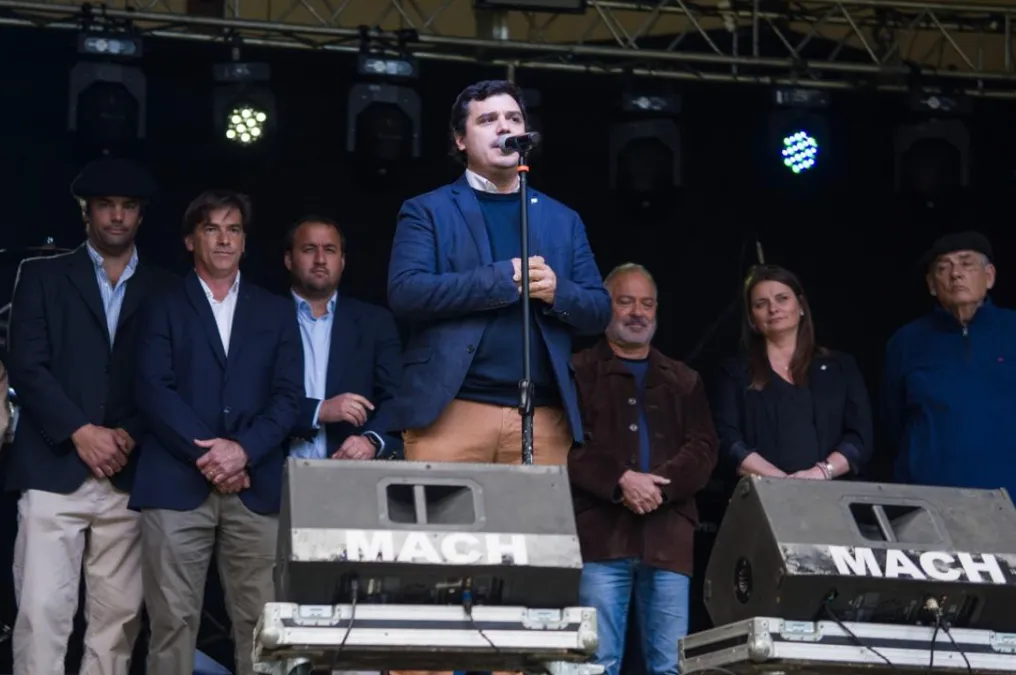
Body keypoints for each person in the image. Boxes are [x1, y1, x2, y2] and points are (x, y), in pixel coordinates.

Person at [5, 156, 176, 675]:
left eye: (128, 207)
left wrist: (127, 433)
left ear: (141, 215)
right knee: (41, 611)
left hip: (129, 470)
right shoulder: (40, 275)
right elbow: (26, 367)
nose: (118, 217)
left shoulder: (167, 289)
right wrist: (80, 432)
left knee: (118, 620)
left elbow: (173, 381)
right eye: (106, 206)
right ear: (87, 212)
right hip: (53, 465)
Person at [386, 79, 611, 465]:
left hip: (541, 415)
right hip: (451, 412)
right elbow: (406, 292)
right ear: (460, 140)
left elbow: (598, 311)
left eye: (513, 118)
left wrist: (558, 292)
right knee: (444, 526)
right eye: (488, 120)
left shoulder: (563, 219)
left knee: (535, 527)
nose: (505, 127)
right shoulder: (428, 210)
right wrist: (499, 280)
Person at [131, 190, 303, 675]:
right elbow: (152, 390)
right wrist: (211, 456)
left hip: (255, 486)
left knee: (263, 625)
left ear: (245, 242)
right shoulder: (162, 304)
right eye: (212, 229)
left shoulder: (275, 310)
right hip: (176, 483)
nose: (224, 240)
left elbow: (288, 397)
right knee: (172, 622)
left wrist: (243, 451)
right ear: (190, 240)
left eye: (234, 230)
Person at [568, 263, 718, 675]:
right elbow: (564, 445)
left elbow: (704, 448)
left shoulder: (683, 378)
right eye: (626, 301)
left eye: (647, 303)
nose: (638, 312)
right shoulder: (577, 370)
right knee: (595, 664)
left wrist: (658, 488)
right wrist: (621, 479)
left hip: (668, 539)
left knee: (670, 666)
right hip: (600, 538)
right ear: (604, 307)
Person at [712, 264, 873, 481]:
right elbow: (727, 440)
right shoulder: (734, 373)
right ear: (752, 319)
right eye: (761, 304)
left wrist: (820, 473)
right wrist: (780, 482)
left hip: (832, 497)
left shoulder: (841, 367)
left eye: (782, 298)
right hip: (762, 496)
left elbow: (860, 438)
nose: (773, 309)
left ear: (801, 306)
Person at [885, 231, 1016, 494]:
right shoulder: (906, 342)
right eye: (943, 268)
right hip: (932, 502)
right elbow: (892, 424)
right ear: (932, 285)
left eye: (966, 264)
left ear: (989, 276)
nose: (955, 274)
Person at [285, 215, 403, 460]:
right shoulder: (261, 318)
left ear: (342, 260)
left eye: (329, 250)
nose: (320, 260)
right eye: (309, 249)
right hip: (272, 474)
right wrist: (317, 411)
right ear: (289, 259)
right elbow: (248, 401)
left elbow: (397, 397)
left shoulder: (375, 323)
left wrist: (372, 440)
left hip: (351, 476)